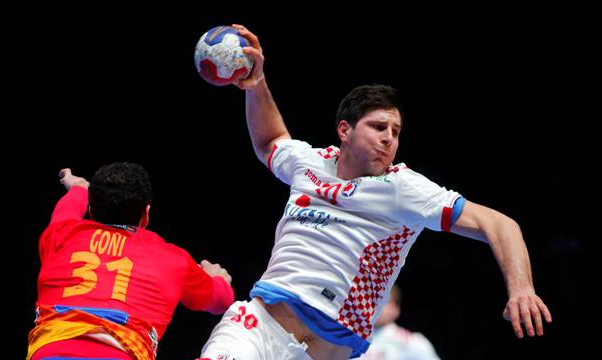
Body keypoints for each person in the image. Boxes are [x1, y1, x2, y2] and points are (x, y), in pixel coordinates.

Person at [199, 24, 552, 360]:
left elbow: (500, 224)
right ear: (345, 130)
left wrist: (522, 289)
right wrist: (256, 84)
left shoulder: (402, 188)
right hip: (257, 327)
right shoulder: (308, 163)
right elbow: (270, 142)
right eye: (379, 127)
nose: (389, 138)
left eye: (396, 131)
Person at [27, 163, 234, 360]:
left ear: (91, 211)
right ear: (146, 215)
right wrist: (217, 279)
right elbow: (221, 301)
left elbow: (67, 209)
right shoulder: (173, 259)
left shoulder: (59, 236)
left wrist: (79, 188)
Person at [356, 285, 440, 360]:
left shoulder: (411, 342)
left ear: (396, 310)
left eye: (384, 301)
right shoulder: (351, 333)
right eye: (372, 299)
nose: (377, 305)